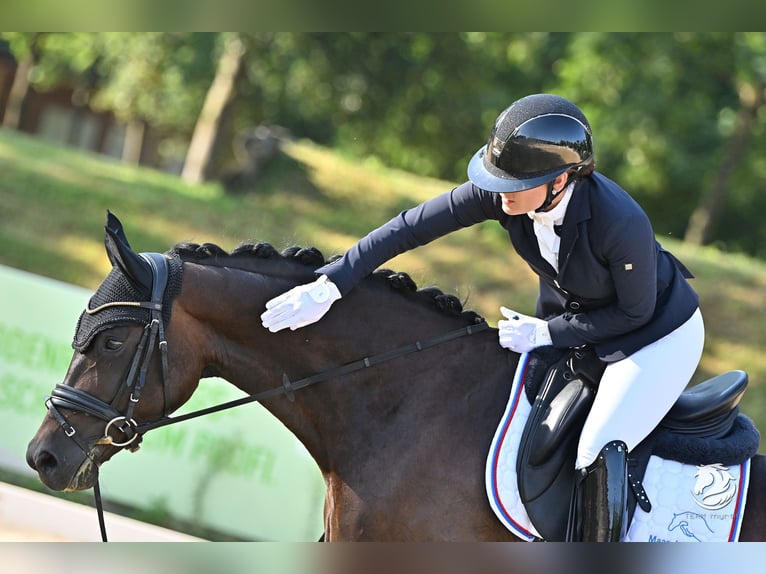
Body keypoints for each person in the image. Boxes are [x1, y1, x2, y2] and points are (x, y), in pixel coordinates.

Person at [260, 93, 704, 541]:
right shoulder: (508, 196)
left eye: (515, 181)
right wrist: (333, 283)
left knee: (597, 444)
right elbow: (410, 226)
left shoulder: (619, 221)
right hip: (577, 323)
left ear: (563, 179)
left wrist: (547, 331)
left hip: (656, 335)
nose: (499, 189)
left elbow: (634, 312)